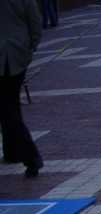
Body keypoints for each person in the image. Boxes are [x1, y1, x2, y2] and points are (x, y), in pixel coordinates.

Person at [0, 0, 44, 178]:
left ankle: (31, 157)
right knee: (10, 106)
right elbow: (35, 22)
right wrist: (30, 47)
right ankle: (11, 151)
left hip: (7, 58)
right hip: (18, 54)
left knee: (8, 110)